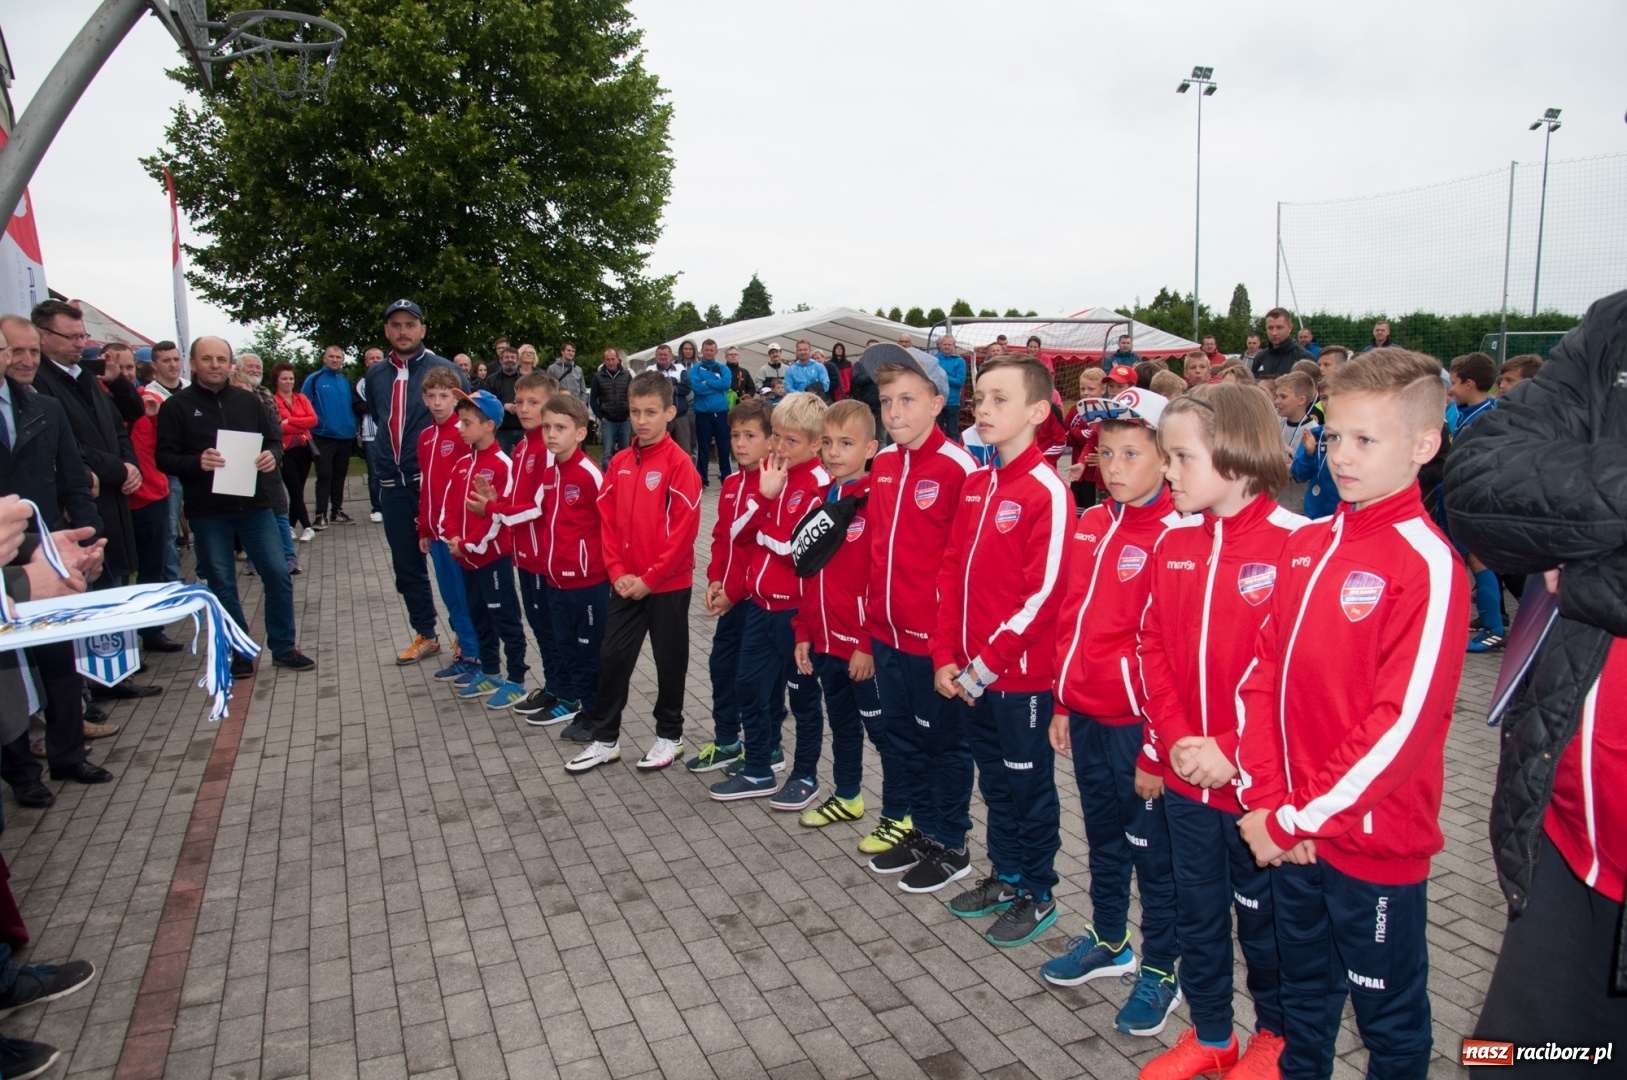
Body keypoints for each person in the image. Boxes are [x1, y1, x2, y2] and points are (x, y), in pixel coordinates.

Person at [1237, 348, 1467, 1080]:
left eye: (1365, 440)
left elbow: (1399, 727)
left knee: (1389, 1025)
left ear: (1422, 445)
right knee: (1304, 1002)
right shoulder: (1311, 541)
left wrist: (1297, 818)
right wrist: (1272, 800)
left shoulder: (1427, 563)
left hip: (1368, 850)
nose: (1339, 455)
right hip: (1294, 834)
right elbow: (1261, 678)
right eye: (1333, 436)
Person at [1442, 292, 1627, 1076]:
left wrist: (1581, 568)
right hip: (1566, 843)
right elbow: (1478, 481)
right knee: (1502, 1061)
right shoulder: (1615, 324)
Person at [1134, 383, 1303, 1080]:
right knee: (1195, 914)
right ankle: (1210, 1034)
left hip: (1256, 789)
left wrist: (1231, 754)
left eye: (1178, 457)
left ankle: (1274, 1037)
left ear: (1233, 456)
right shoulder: (1172, 541)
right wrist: (1174, 739)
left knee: (1265, 925)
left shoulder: (1300, 547)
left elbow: (1290, 676)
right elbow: (1150, 646)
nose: (1165, 472)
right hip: (1184, 779)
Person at [1039, 389, 1186, 1038]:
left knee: (1153, 852)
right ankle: (1107, 936)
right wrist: (1064, 700)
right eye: (1106, 452)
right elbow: (1069, 619)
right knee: (1101, 838)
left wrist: (1157, 746)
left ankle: (1161, 967)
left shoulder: (1178, 536)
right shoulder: (1092, 522)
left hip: (1140, 732)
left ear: (1167, 456)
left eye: (1132, 452)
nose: (1116, 465)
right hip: (1088, 717)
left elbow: (1176, 659)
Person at [929, 357, 1072, 946]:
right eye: (979, 398)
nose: (982, 409)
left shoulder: (1048, 491)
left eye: (998, 399)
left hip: (1015, 680)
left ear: (1037, 413)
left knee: (1027, 785)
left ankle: (1038, 891)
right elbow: (950, 573)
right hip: (966, 675)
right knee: (994, 780)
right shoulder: (977, 483)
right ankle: (1006, 874)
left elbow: (1044, 596)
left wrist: (982, 667)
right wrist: (944, 655)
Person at [861, 343, 980, 873]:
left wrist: (948, 646)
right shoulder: (883, 462)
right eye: (887, 402)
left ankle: (950, 842)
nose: (895, 414)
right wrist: (868, 625)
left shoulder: (960, 468)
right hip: (886, 634)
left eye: (908, 400)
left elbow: (965, 568)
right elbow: (875, 551)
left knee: (944, 745)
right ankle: (921, 830)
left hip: (932, 643)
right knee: (903, 739)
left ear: (938, 404)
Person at [564, 370, 701, 772]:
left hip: (667, 584)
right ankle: (606, 740)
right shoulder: (621, 462)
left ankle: (669, 737)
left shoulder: (680, 467)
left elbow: (683, 534)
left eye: (651, 412)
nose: (641, 420)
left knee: (669, 661)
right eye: (635, 412)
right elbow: (605, 522)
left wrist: (650, 578)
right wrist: (618, 570)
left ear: (670, 413)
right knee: (613, 657)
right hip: (625, 582)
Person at [156, 337, 315, 675]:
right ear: (193, 362)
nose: (214, 364)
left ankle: (284, 647)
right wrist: (196, 462)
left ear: (230, 364)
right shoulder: (177, 407)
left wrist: (271, 456)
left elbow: (274, 440)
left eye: (221, 358)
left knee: (277, 574)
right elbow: (163, 457)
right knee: (222, 584)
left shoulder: (249, 401)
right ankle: (240, 650)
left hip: (255, 506)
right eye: (207, 358)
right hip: (208, 512)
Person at [707, 392, 831, 803]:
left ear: (815, 444)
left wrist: (764, 514)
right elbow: (738, 533)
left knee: (803, 699)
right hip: (760, 608)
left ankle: (806, 775)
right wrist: (763, 498)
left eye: (790, 441)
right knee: (749, 688)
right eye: (775, 436)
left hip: (797, 614)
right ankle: (759, 768)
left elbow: (793, 550)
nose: (777, 447)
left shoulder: (818, 484)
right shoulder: (773, 475)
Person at [789, 400, 891, 829]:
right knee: (843, 726)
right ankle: (848, 795)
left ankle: (900, 814)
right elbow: (808, 576)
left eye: (845, 443)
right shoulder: (819, 500)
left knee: (885, 736)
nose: (833, 452)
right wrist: (803, 630)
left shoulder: (875, 501)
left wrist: (867, 644)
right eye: (827, 442)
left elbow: (882, 579)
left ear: (870, 448)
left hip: (862, 649)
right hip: (826, 643)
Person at [363, 299, 469, 665]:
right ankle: (426, 632)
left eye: (410, 324)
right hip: (392, 486)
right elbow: (381, 419)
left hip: (434, 486)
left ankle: (464, 634)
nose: (403, 331)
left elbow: (467, 419)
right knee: (407, 567)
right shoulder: (375, 375)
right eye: (395, 325)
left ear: (423, 329)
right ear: (386, 330)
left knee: (451, 566)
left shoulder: (445, 370)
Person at [689, 398, 775, 776]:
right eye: (735, 435)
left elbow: (765, 549)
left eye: (750, 435)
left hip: (757, 599)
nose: (740, 444)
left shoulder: (774, 485)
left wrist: (733, 592)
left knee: (757, 680)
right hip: (730, 595)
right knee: (721, 668)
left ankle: (768, 748)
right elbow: (722, 536)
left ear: (771, 440)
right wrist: (713, 579)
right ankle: (727, 740)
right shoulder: (733, 483)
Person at [29, 300, 139, 590]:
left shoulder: (87, 377)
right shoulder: (36, 384)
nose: (81, 344)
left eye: (83, 335)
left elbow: (119, 426)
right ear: (42, 335)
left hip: (115, 502)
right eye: (72, 337)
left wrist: (131, 464)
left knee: (118, 581)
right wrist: (119, 469)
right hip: (80, 508)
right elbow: (67, 445)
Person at [472, 371, 565, 716]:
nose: (524, 409)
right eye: (520, 401)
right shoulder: (525, 445)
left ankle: (564, 691)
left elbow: (539, 506)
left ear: (551, 405)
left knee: (552, 629)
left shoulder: (550, 448)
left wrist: (495, 508)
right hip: (524, 556)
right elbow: (518, 497)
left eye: (534, 402)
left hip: (545, 557)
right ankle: (554, 686)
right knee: (539, 627)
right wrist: (500, 499)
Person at [519, 394, 608, 726]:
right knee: (567, 647)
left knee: (591, 653)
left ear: (581, 433)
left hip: (588, 583)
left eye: (560, 427)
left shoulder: (589, 474)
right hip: (556, 581)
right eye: (546, 427)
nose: (551, 434)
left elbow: (610, 526)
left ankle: (597, 714)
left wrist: (611, 574)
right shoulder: (550, 472)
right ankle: (578, 704)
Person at [440, 389, 528, 709]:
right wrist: (452, 538)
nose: (459, 429)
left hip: (492, 558)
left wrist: (468, 544)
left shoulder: (503, 464)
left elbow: (499, 517)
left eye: (466, 422)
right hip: (465, 558)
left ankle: (517, 679)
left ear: (489, 425)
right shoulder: (462, 463)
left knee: (505, 618)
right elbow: (448, 508)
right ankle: (491, 672)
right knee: (479, 618)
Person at [412, 366, 484, 685]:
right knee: (451, 598)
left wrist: (464, 531)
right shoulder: (426, 437)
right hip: (437, 533)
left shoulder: (463, 434)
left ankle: (480, 658)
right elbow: (427, 485)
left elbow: (470, 485)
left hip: (459, 534)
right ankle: (466, 654)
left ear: (456, 399)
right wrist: (424, 528)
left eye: (445, 396)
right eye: (432, 396)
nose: (438, 402)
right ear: (424, 398)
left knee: (467, 596)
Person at [1446, 352, 1504, 653]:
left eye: (1453, 382)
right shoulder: (1461, 412)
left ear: (1470, 383)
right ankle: (1489, 623)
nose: (1450, 389)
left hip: (1477, 501)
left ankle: (1493, 628)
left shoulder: (1490, 416)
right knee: (1472, 560)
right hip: (1460, 497)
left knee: (1476, 560)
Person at [297, 345, 356, 528]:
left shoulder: (345, 381)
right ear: (324, 358)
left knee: (340, 475)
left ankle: (337, 511)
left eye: (338, 357)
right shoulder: (314, 379)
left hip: (345, 436)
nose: (335, 360)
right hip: (323, 436)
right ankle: (320, 514)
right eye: (331, 356)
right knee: (324, 475)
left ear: (343, 360)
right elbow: (303, 404)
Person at [270, 362, 317, 542]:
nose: (288, 381)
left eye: (291, 378)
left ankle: (289, 525)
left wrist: (289, 421)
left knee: (299, 490)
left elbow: (313, 420)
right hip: (285, 450)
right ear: (277, 380)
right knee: (295, 489)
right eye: (284, 378)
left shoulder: (301, 398)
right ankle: (307, 526)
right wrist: (296, 423)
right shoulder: (274, 400)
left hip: (304, 449)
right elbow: (276, 426)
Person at [689, 338, 733, 487]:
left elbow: (726, 384)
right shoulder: (695, 369)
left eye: (711, 350)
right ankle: (702, 479)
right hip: (703, 414)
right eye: (706, 350)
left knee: (724, 447)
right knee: (703, 448)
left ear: (716, 351)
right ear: (702, 351)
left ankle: (726, 477)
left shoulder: (723, 368)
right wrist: (716, 384)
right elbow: (697, 388)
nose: (709, 352)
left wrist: (707, 382)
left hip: (721, 413)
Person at [591, 348, 632, 467]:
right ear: (604, 361)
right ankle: (606, 479)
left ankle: (625, 477)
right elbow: (593, 399)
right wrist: (600, 416)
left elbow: (633, 395)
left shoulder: (627, 375)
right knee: (607, 454)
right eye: (607, 359)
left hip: (625, 420)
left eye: (613, 359)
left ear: (618, 359)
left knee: (626, 453)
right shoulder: (598, 377)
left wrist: (630, 415)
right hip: (608, 421)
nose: (611, 362)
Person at [653, 344, 695, 455]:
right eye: (660, 354)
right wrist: (675, 381)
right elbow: (654, 390)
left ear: (671, 356)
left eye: (665, 354)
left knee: (684, 450)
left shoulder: (680, 368)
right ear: (656, 356)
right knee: (660, 449)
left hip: (680, 416)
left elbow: (687, 388)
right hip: (661, 417)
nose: (663, 357)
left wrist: (666, 385)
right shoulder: (651, 370)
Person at [358, 346, 384, 522]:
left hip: (391, 434)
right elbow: (359, 406)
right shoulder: (361, 382)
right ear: (366, 362)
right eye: (371, 358)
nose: (375, 360)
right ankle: (377, 507)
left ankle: (390, 505)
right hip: (370, 434)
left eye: (378, 358)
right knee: (374, 473)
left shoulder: (391, 378)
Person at [1251, 308, 1313, 379]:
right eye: (1270, 328)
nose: (1274, 333)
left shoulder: (1303, 357)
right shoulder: (1260, 357)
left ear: (1290, 328)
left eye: (1279, 327)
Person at [934, 334, 967, 440]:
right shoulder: (934, 360)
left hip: (952, 402)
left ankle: (954, 454)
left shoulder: (960, 361)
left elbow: (959, 382)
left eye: (949, 344)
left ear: (954, 346)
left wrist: (943, 376)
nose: (947, 347)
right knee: (935, 430)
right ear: (940, 345)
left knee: (952, 431)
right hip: (936, 401)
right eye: (944, 344)